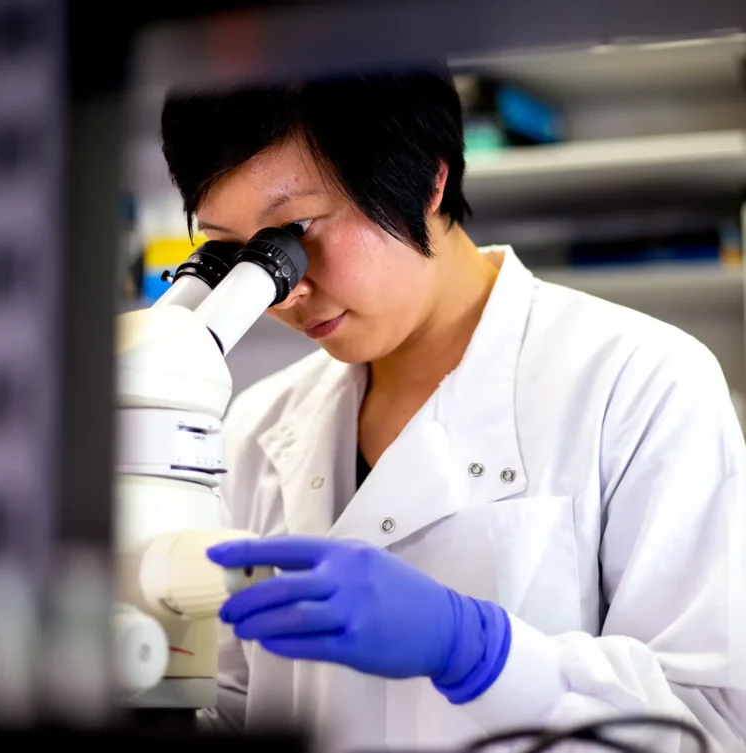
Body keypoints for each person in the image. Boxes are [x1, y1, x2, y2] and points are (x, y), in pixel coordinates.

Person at [160, 67, 746, 752]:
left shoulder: (640, 380)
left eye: (292, 230)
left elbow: (711, 724)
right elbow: (241, 702)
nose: (283, 291)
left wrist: (480, 652)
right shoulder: (257, 424)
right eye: (237, 248)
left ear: (427, 179)